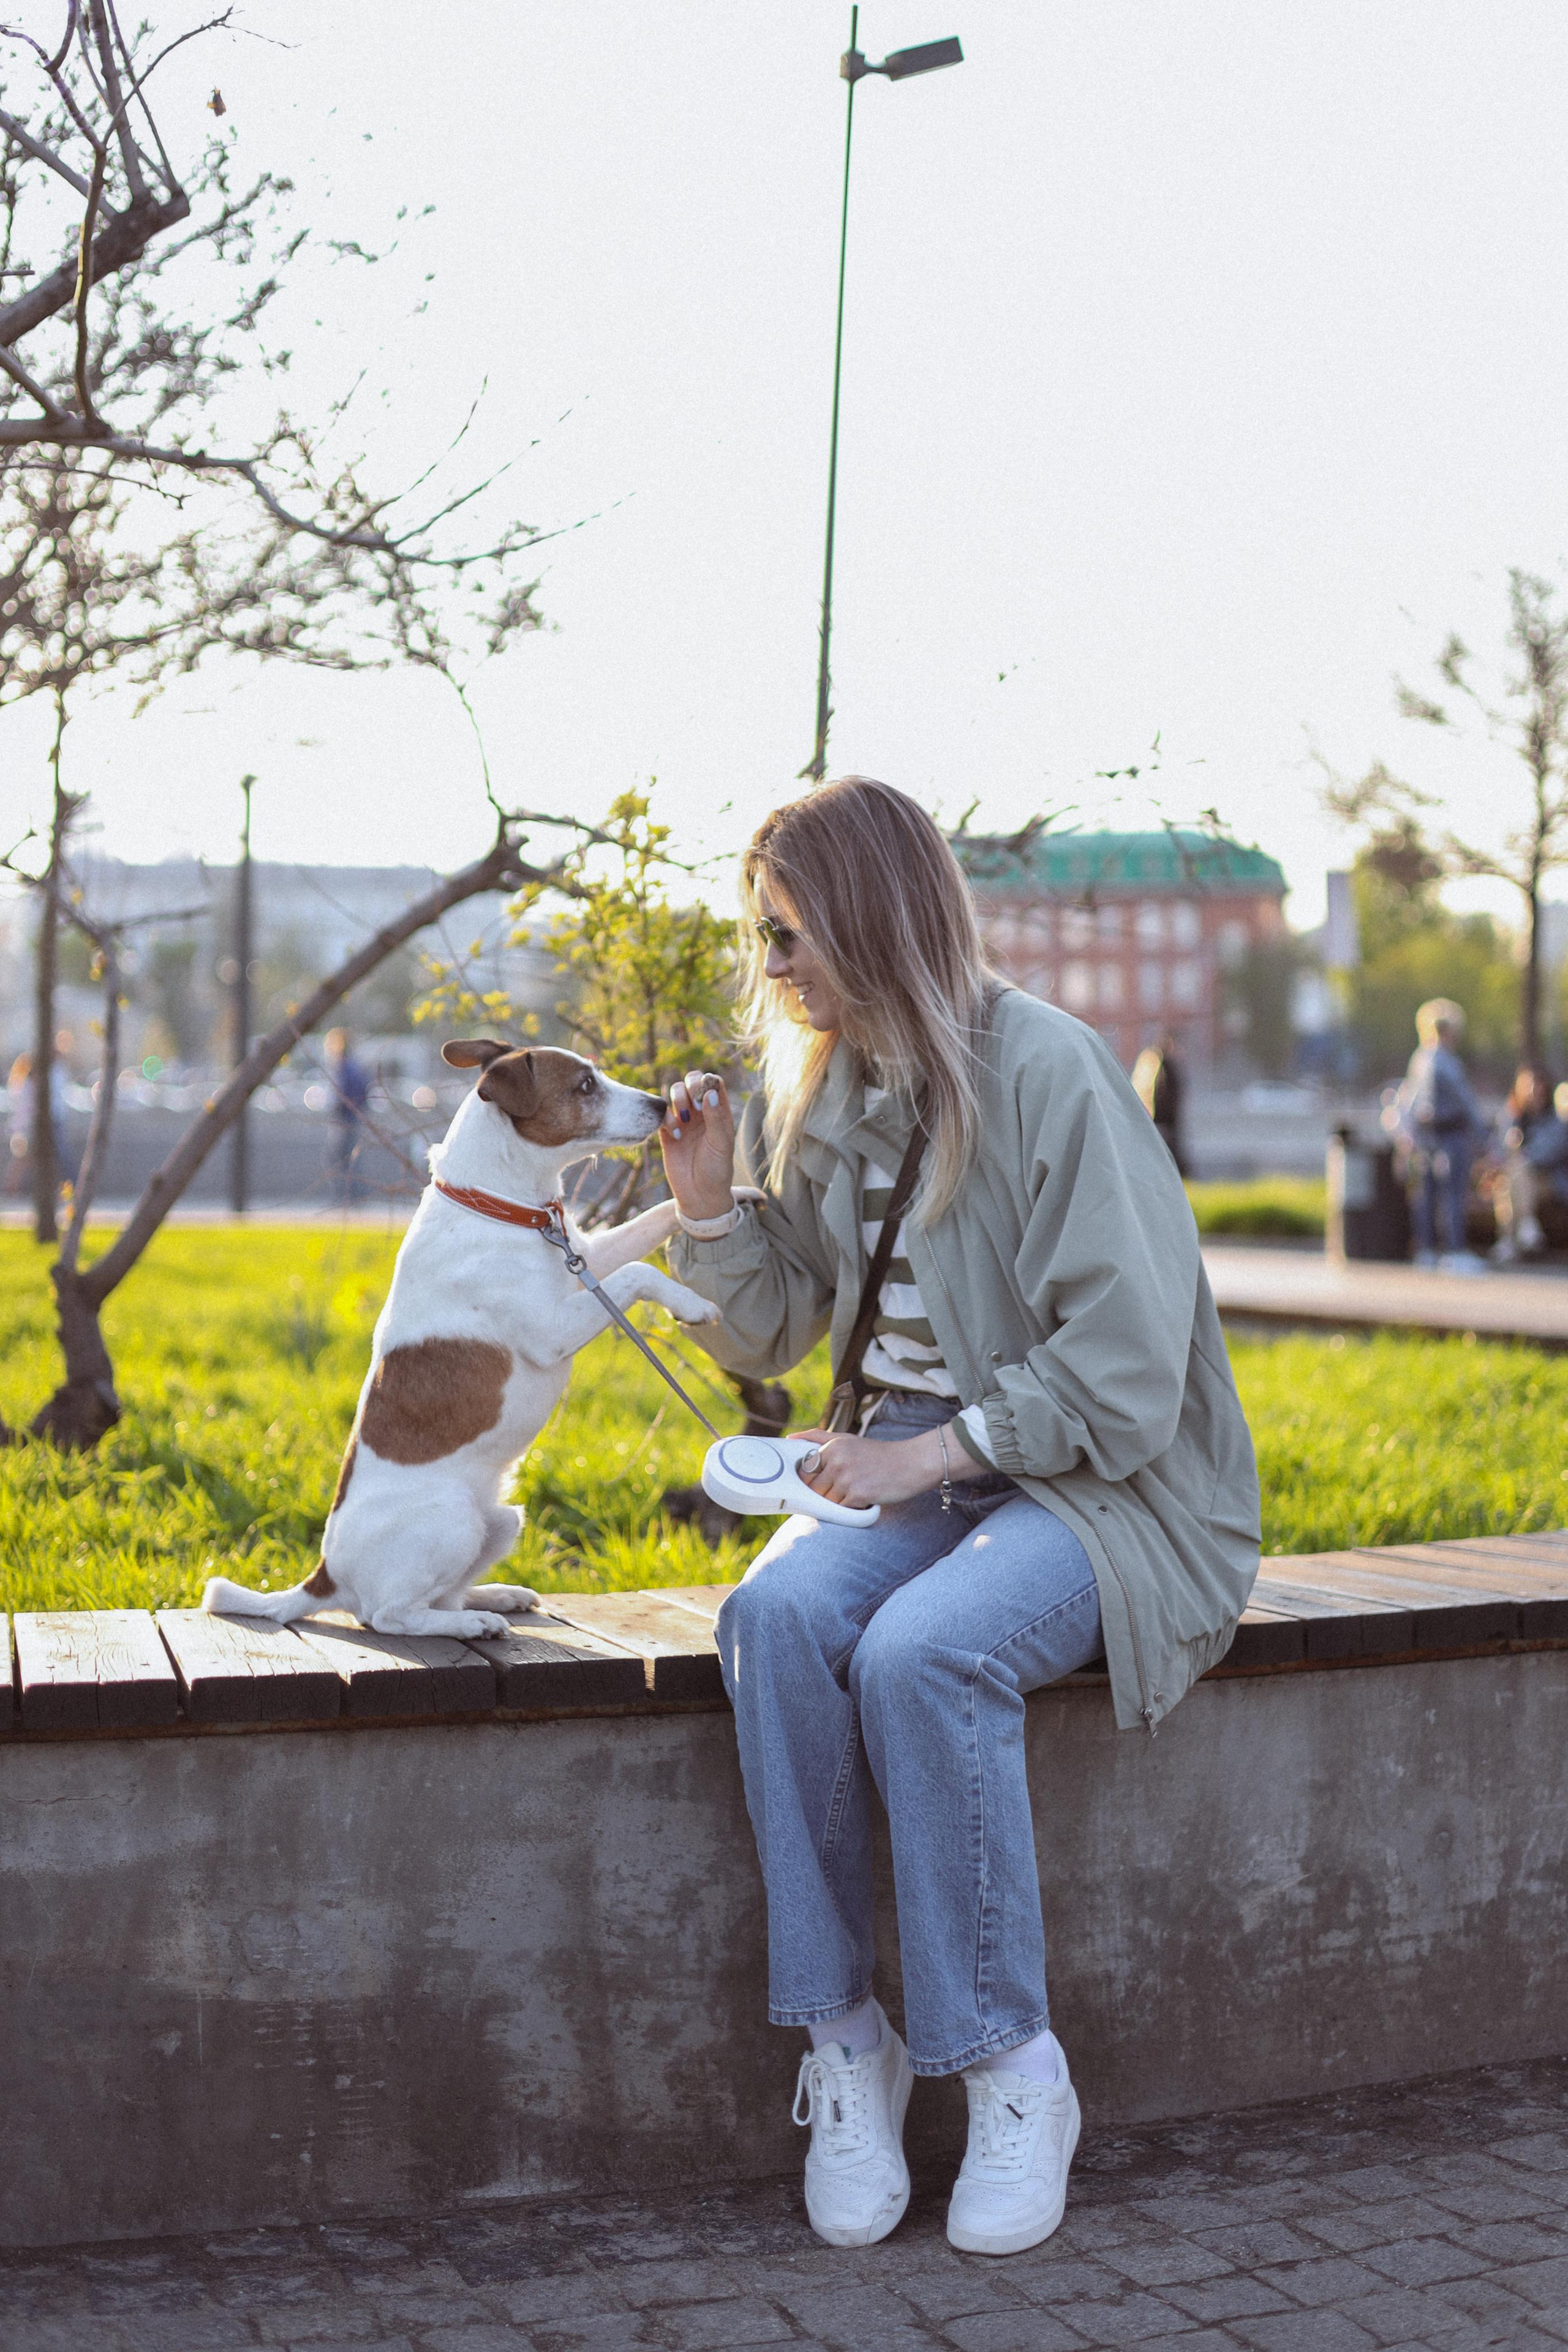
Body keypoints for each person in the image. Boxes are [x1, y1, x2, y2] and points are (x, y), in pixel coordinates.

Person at [660, 778, 1261, 2259]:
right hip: (922, 1477)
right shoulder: (829, 1081)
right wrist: (708, 1211)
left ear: (869, 916)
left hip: (1102, 1489)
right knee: (773, 1614)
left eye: (789, 934)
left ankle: (1007, 2067)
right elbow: (790, 1322)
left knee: (922, 1652)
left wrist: (926, 1458)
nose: (772, 965)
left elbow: (1123, 1373)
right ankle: (844, 2043)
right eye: (761, 936)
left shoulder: (1046, 1071)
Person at [1395, 998, 1484, 1268]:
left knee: (1427, 1194)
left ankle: (1427, 1250)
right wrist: (1483, 1138)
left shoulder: (1419, 1059)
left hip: (1426, 1137)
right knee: (1454, 1194)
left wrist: (1406, 1136)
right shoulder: (1447, 1061)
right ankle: (1455, 1251)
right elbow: (1466, 1101)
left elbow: (1409, 1101)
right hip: (1451, 1135)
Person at [1490, 1066, 1568, 1262]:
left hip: (1547, 1181)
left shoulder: (1556, 1121)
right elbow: (1497, 1152)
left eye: (1537, 1085)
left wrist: (1519, 1153)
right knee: (1508, 1181)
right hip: (1517, 1180)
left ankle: (1507, 1240)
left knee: (1516, 1172)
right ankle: (1526, 1226)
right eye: (1528, 1085)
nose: (1533, 1090)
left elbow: (1546, 1155)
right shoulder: (1511, 1118)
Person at [323, 1028, 371, 1202]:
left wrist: (341, 1108)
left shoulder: (343, 1067)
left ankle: (345, 1197)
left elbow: (340, 1094)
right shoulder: (355, 1067)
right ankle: (352, 1196)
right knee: (352, 1159)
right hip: (353, 1118)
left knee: (341, 1160)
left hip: (343, 1119)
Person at [1129, 1031, 1187, 1172]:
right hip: (1160, 1116)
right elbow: (1156, 1090)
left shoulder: (1149, 1060)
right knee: (1165, 1148)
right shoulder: (1159, 1062)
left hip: (1157, 1115)